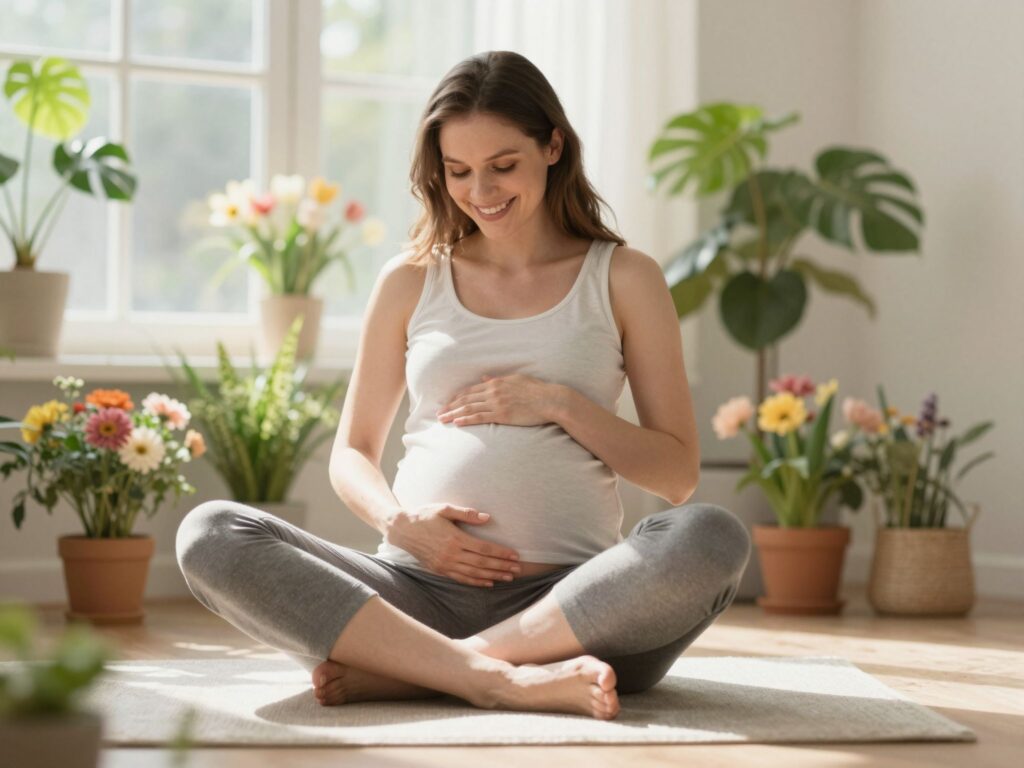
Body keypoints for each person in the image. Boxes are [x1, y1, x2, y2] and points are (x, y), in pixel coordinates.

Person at [175, 50, 751, 722]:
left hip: (576, 611)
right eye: (458, 171)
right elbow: (352, 451)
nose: (481, 191)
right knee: (210, 533)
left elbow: (677, 476)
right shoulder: (410, 280)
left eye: (503, 165)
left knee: (710, 536)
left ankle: (432, 669)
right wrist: (398, 523)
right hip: (412, 592)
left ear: (553, 146)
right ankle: (489, 677)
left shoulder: (625, 277)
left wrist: (558, 404)